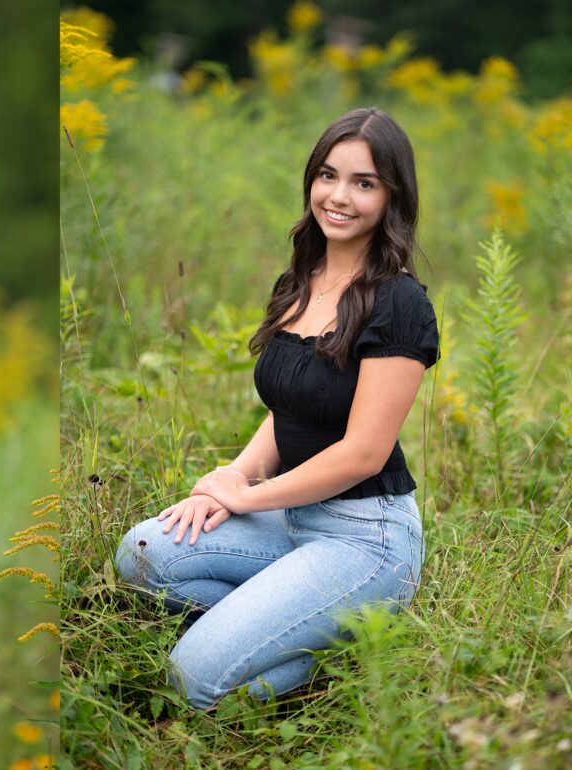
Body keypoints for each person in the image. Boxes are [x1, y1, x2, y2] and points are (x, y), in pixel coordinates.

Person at [115, 107, 440, 711]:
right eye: (327, 175)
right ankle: (292, 615)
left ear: (392, 196)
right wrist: (234, 474)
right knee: (141, 556)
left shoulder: (399, 302)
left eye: (363, 183)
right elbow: (292, 406)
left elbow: (363, 452)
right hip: (291, 525)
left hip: (365, 540)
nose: (338, 197)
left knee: (194, 682)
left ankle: (337, 651)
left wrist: (245, 497)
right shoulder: (300, 281)